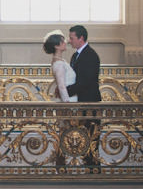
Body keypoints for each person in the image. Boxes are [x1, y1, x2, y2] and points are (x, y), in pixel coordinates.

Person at [63, 24, 102, 170]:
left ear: (81, 38)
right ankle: (87, 168)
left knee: (92, 137)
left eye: (72, 38)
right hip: (81, 103)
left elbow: (85, 82)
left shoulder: (91, 55)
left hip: (90, 103)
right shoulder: (75, 55)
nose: (69, 40)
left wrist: (65, 91)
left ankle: (94, 171)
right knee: (83, 137)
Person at [42, 29, 76, 102]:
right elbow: (61, 86)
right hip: (69, 100)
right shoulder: (58, 64)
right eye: (62, 42)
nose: (65, 43)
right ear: (56, 46)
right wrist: (67, 104)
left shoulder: (61, 61)